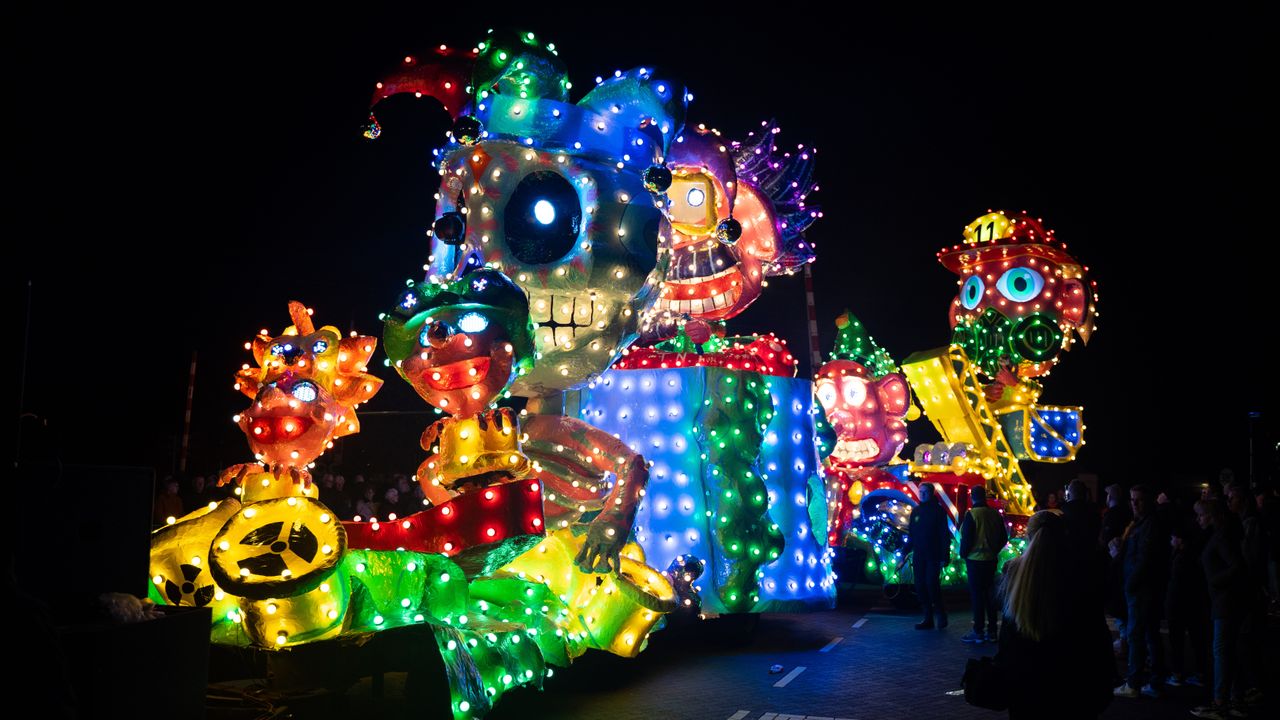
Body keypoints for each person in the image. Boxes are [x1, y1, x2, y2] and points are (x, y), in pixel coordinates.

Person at [995, 511, 1115, 719]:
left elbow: (1007, 641)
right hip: (1073, 689)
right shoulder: (1081, 576)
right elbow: (1096, 637)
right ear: (1064, 536)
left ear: (1028, 537)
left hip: (1027, 691)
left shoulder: (1014, 576)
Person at [1190, 498, 1247, 719]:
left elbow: (1236, 566)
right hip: (1227, 601)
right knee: (1228, 652)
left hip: (1224, 602)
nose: (1198, 519)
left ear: (1212, 516)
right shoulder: (1223, 534)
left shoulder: (1221, 537)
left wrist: (1214, 580)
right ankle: (1235, 699)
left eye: (1201, 515)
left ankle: (1220, 702)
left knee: (1222, 652)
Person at [1114, 484, 1168, 699]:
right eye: (1132, 500)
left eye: (1139, 500)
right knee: (1150, 634)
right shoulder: (1144, 524)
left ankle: (1134, 682)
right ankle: (1155, 681)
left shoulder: (1148, 526)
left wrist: (1130, 582)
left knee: (1138, 634)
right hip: (1142, 586)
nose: (1134, 504)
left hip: (1140, 588)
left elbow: (1144, 559)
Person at [959, 485, 1008, 643]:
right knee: (989, 596)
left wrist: (963, 554)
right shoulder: (995, 514)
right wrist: (993, 550)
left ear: (972, 497)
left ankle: (978, 631)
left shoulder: (972, 515)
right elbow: (1003, 538)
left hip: (975, 561)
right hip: (991, 560)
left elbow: (966, 539)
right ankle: (992, 631)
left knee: (977, 596)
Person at [905, 482, 950, 630]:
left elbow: (944, 535)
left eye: (925, 492)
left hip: (933, 555)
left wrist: (944, 556)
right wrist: (905, 551)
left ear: (931, 493)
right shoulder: (916, 511)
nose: (922, 494)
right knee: (920, 585)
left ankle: (940, 614)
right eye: (920, 491)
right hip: (919, 555)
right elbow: (912, 534)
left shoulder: (939, 511)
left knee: (932, 584)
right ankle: (928, 617)